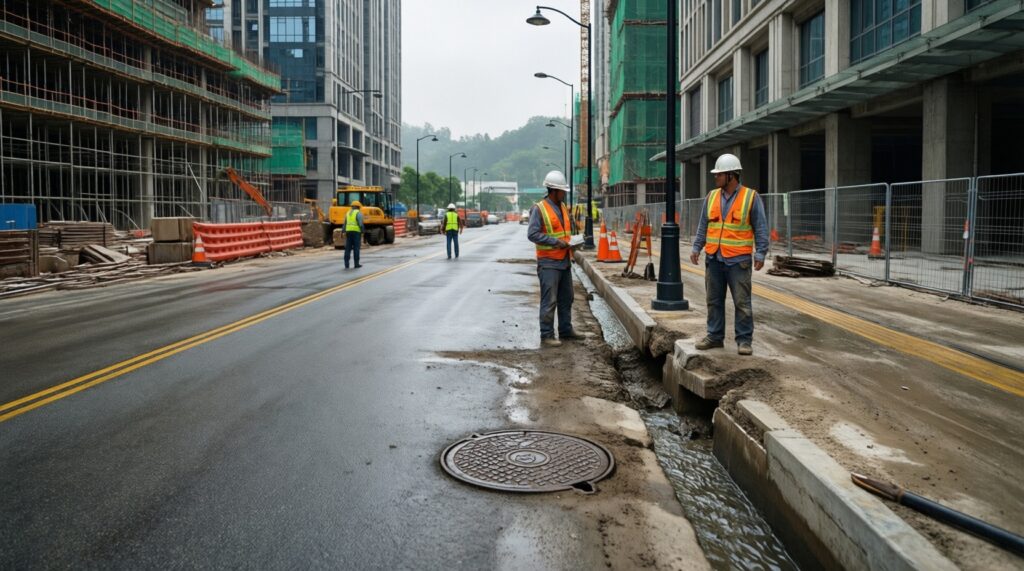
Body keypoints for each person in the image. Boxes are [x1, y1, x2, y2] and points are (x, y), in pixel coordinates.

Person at [688, 153, 769, 356]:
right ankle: (715, 337)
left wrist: (760, 253)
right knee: (713, 300)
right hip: (714, 258)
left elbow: (760, 227)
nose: (715, 178)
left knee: (742, 302)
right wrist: (697, 247)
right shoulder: (712, 196)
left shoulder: (751, 197)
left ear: (731, 176)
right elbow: (703, 226)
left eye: (719, 175)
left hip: (738, 261)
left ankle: (744, 340)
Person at [528, 170, 578, 348]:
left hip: (564, 260)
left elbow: (565, 232)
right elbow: (532, 234)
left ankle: (565, 329)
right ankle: (547, 334)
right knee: (549, 300)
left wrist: (572, 243)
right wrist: (555, 242)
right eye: (562, 191)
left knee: (567, 297)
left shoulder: (563, 207)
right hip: (548, 262)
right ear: (553, 191)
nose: (564, 194)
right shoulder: (539, 209)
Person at [344, 200, 364, 269]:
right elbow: (360, 224)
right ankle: (356, 264)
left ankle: (346, 264)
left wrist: (343, 231)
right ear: (358, 207)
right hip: (356, 232)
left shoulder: (347, 213)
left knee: (348, 248)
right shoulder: (358, 213)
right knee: (356, 248)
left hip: (348, 232)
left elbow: (345, 223)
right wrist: (362, 231)